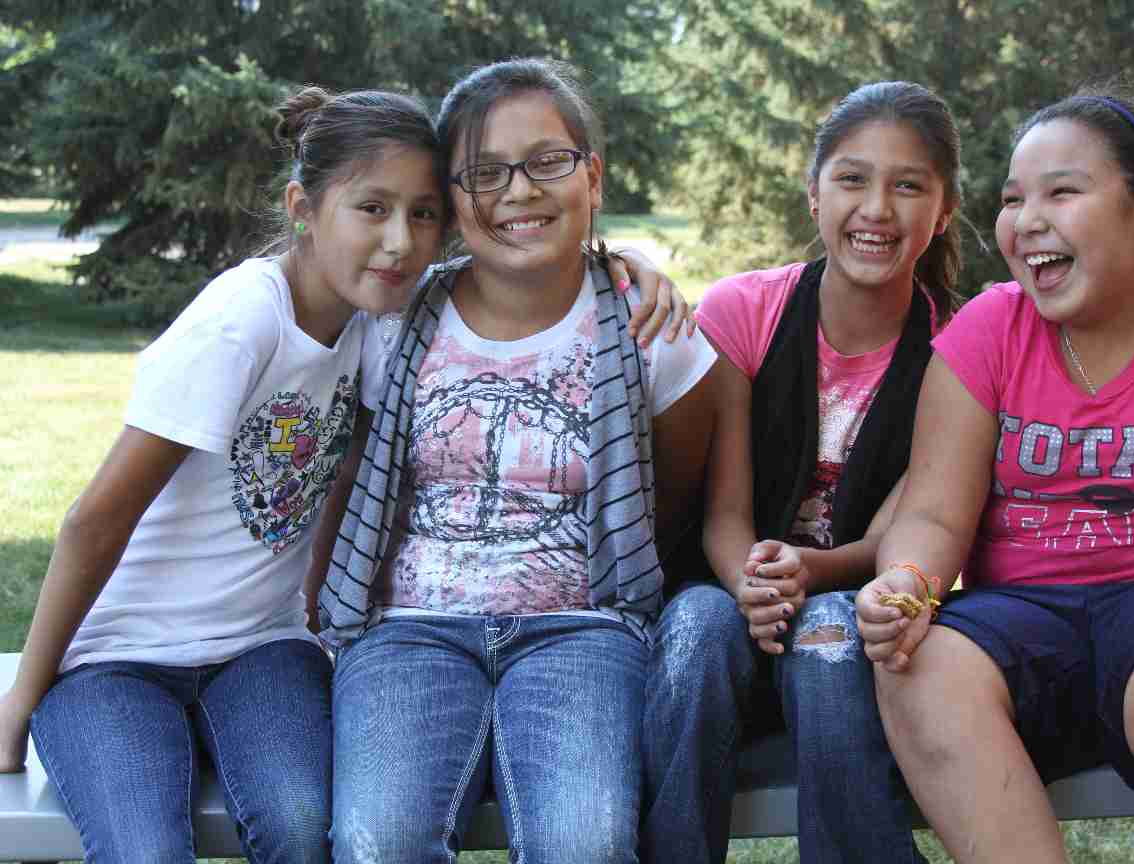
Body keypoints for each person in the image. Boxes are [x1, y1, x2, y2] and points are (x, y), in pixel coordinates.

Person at [0, 83, 686, 863]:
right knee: (145, 851)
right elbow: (96, 519)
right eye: (372, 209)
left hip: (261, 651)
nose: (399, 241)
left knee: (299, 827)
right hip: (119, 657)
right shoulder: (240, 323)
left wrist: (620, 260)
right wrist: (23, 695)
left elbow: (524, 264)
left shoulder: (377, 318)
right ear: (303, 206)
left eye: (423, 213)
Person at [858, 83, 1134, 864]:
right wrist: (909, 582)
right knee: (918, 663)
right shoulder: (987, 332)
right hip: (1030, 611)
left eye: (1063, 192)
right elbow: (933, 515)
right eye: (1014, 197)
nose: (1027, 221)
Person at [319, 57, 717, 864]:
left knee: (587, 843)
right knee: (378, 842)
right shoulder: (396, 318)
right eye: (485, 173)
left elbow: (671, 501)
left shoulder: (647, 331)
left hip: (582, 630)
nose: (521, 192)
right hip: (409, 629)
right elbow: (349, 473)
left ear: (592, 177)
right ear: (454, 196)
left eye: (548, 162)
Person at [641, 81, 961, 864]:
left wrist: (812, 572)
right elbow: (723, 508)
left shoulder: (958, 347)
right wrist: (751, 579)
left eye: (908, 185)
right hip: (727, 579)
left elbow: (906, 529)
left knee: (830, 641)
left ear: (944, 211)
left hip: (860, 588)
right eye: (852, 179)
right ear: (814, 192)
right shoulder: (747, 310)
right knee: (693, 632)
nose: (877, 208)